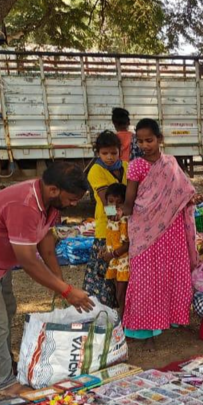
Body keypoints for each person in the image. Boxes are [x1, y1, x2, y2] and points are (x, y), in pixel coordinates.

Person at [0, 163, 95, 396]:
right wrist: (66, 291)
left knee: (7, 309)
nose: (74, 204)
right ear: (54, 190)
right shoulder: (25, 205)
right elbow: (29, 261)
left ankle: (5, 363)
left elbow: (46, 246)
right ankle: (5, 382)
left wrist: (61, 283)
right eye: (72, 198)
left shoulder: (48, 202)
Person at [122, 118, 201, 344]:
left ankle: (172, 317)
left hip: (171, 228)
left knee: (172, 272)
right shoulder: (136, 165)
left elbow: (182, 192)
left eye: (149, 140)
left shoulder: (170, 163)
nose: (145, 145)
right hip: (145, 228)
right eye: (141, 141)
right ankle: (142, 328)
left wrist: (191, 200)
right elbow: (130, 200)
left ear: (160, 139)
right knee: (145, 276)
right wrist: (119, 210)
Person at [84, 130, 128, 307]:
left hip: (126, 227)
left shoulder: (126, 166)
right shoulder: (95, 170)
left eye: (113, 153)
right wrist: (116, 213)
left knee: (124, 273)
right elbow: (105, 200)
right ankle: (104, 312)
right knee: (104, 273)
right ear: (98, 153)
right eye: (104, 153)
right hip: (107, 228)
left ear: (120, 151)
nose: (109, 157)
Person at [100, 183, 131, 312]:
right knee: (117, 292)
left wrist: (111, 254)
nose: (114, 206)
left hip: (123, 262)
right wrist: (105, 249)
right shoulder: (111, 219)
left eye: (119, 203)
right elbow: (112, 237)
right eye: (110, 202)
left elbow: (127, 245)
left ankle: (123, 325)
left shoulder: (123, 220)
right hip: (115, 260)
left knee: (121, 294)